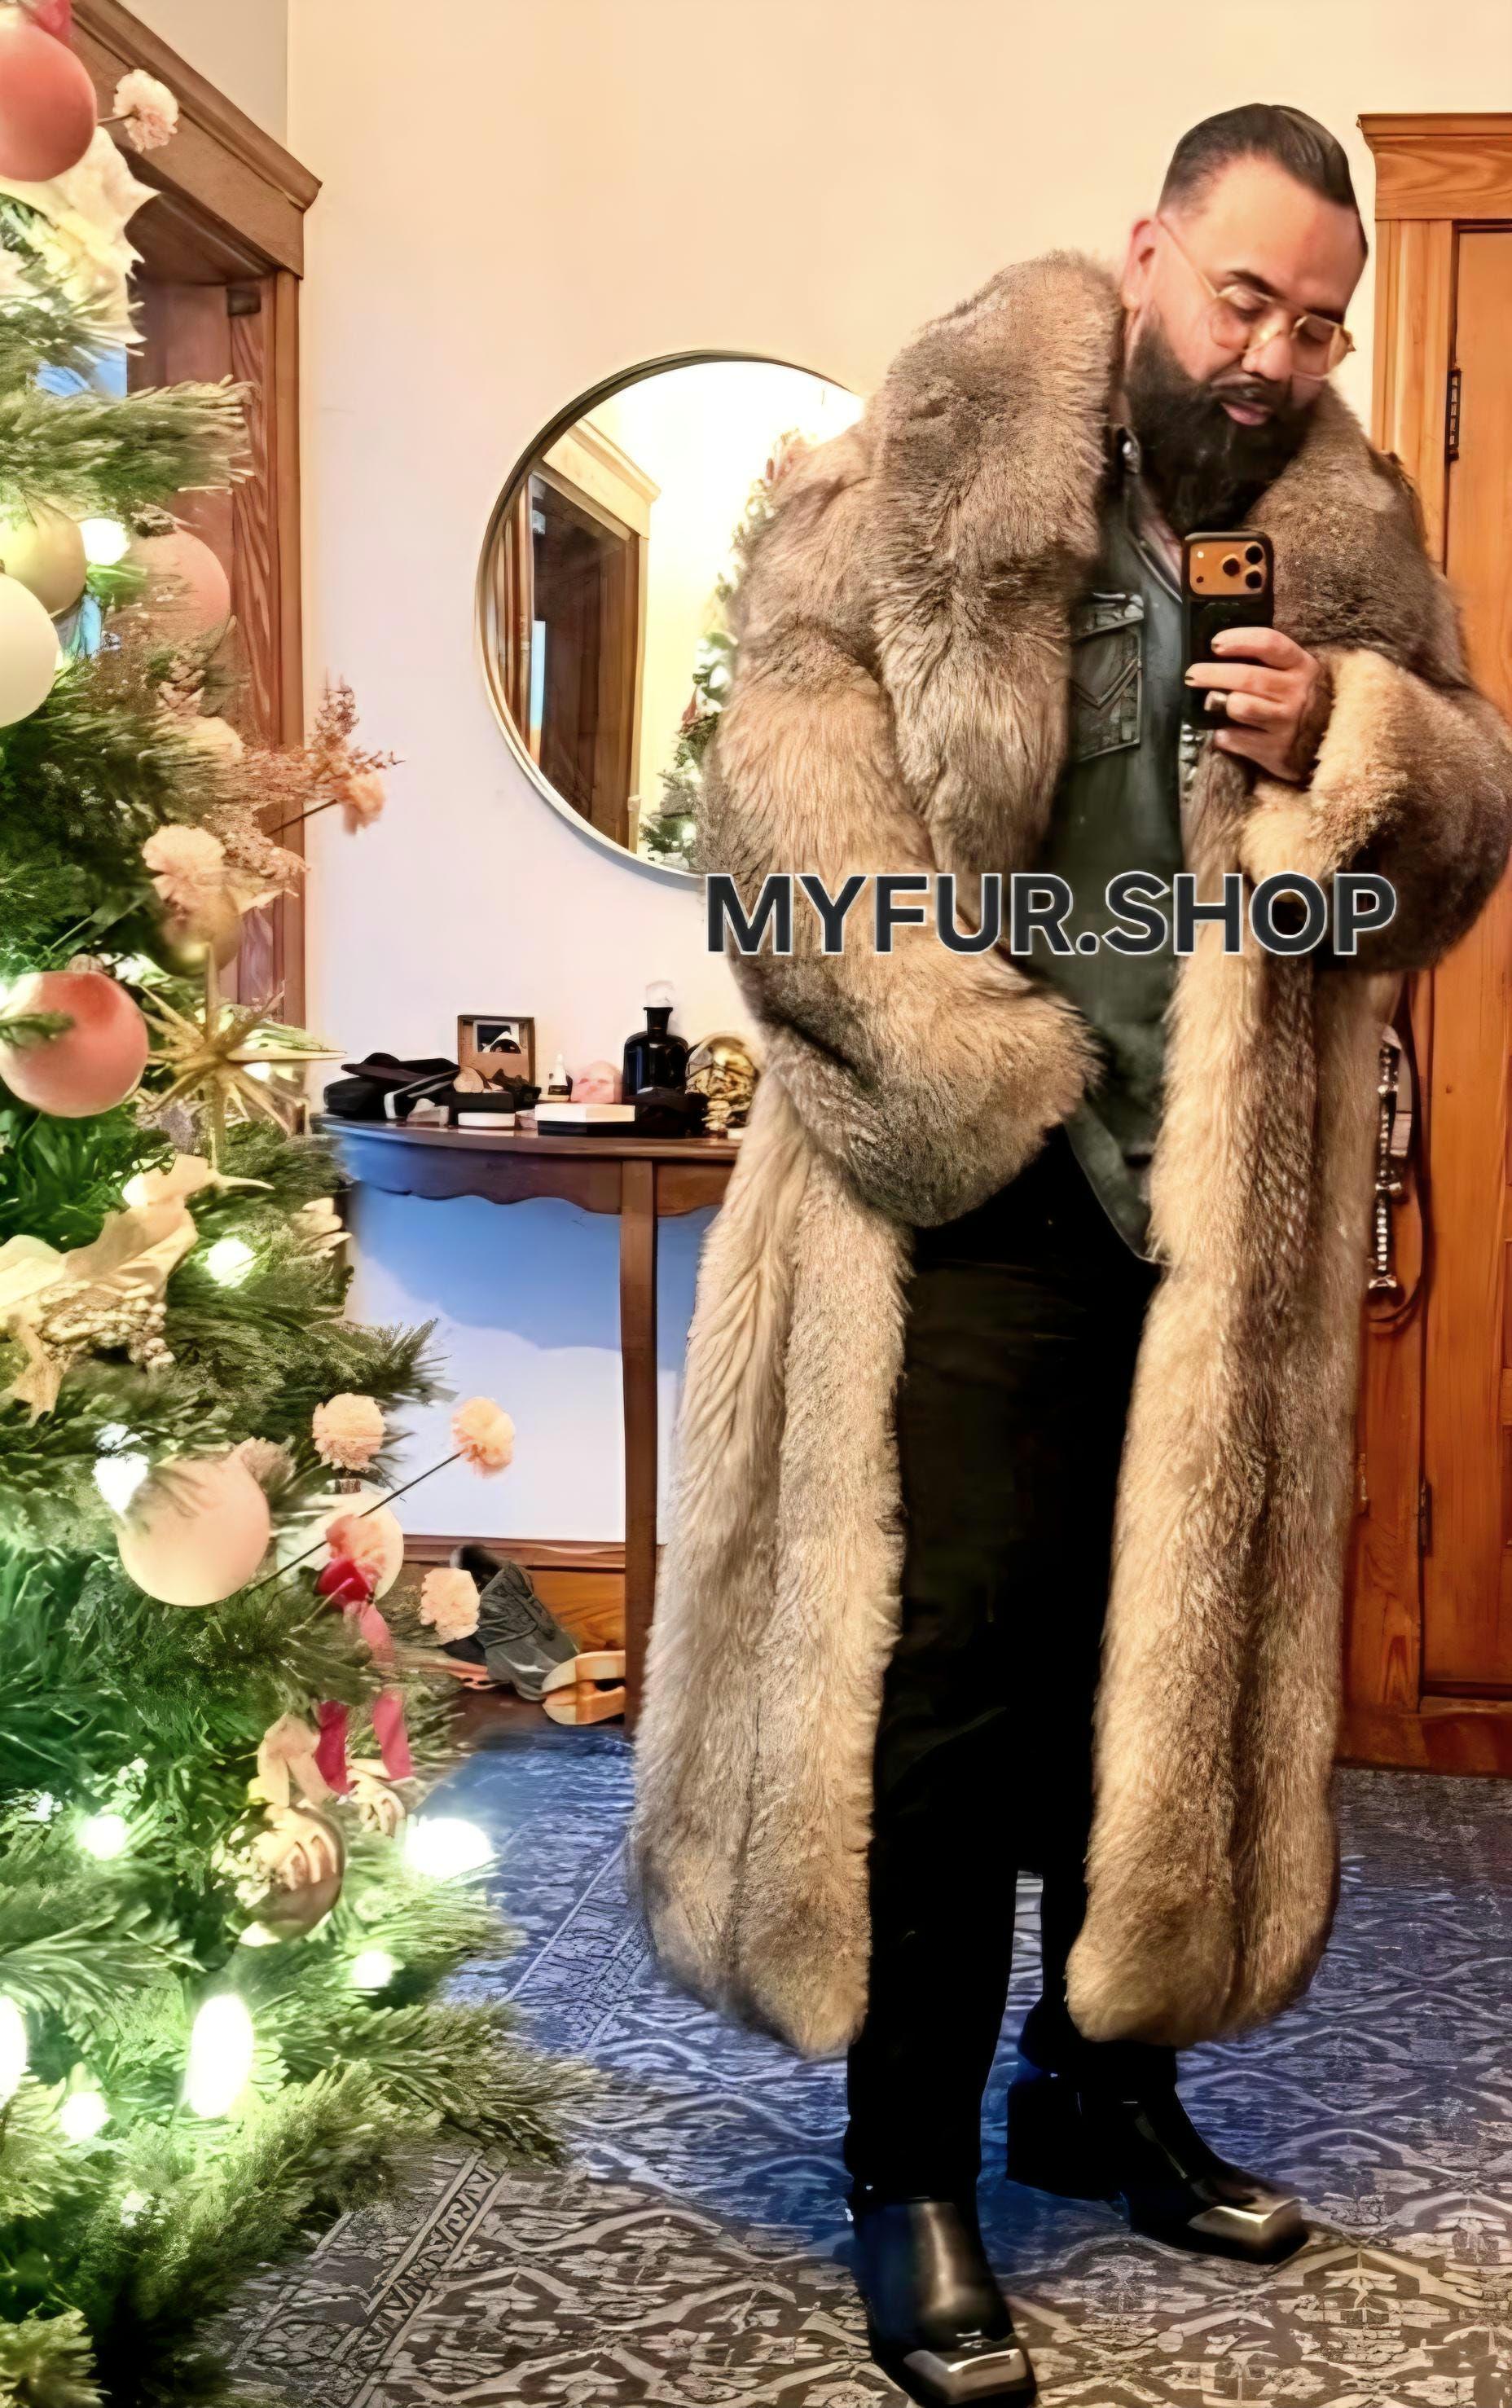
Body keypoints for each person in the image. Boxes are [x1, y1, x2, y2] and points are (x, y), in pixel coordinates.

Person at [630, 103, 1512, 2406]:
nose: (1277, 353)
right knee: (947, 1680)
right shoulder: (918, 463)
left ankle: (1098, 2089)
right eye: (1246, 297)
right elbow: (782, 821)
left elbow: (1451, 845)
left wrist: (1361, 736)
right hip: (975, 1183)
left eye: (1319, 321)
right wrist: (970, 1078)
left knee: (1170, 1660)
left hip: (1223, 1212)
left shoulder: (1345, 533)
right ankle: (908, 2162)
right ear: (1148, 252)